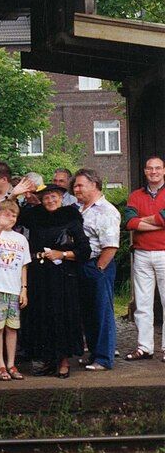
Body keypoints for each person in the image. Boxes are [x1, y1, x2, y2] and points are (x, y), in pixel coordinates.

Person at [16, 183, 91, 378]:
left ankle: (64, 362)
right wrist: (14, 194)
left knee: (62, 316)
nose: (50, 201)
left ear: (61, 197)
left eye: (54, 197)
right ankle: (48, 360)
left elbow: (84, 250)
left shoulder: (71, 216)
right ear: (40, 199)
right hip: (38, 274)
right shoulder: (34, 215)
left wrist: (63, 253)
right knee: (42, 316)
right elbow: (10, 214)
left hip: (63, 276)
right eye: (46, 197)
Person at [72, 168, 120, 371]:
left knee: (102, 311)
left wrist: (99, 269)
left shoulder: (106, 211)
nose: (76, 189)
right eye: (74, 186)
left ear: (94, 184)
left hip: (98, 265)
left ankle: (104, 358)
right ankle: (93, 352)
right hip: (82, 265)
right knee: (88, 312)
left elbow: (111, 246)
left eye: (80, 185)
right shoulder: (80, 209)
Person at [0, 201, 31, 381]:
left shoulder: (21, 239)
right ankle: (0, 365)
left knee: (12, 327)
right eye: (6, 214)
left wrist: (23, 289)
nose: (10, 218)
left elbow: (24, 265)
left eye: (13, 215)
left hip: (14, 288)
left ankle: (11, 363)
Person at [124, 156, 165, 361]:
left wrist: (143, 221)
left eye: (158, 168)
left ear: (164, 171)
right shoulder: (135, 195)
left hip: (164, 252)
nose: (154, 172)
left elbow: (138, 221)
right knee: (143, 303)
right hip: (141, 253)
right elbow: (130, 222)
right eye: (150, 168)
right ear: (145, 171)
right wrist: (159, 221)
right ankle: (144, 347)